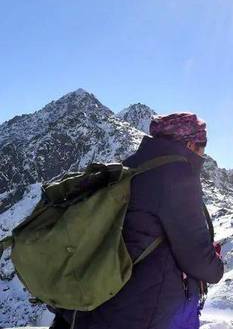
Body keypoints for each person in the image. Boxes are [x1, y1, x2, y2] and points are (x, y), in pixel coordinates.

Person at [53, 112, 224, 329]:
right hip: (141, 315)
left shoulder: (129, 167)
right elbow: (200, 262)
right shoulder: (177, 175)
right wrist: (217, 264)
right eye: (203, 147)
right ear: (190, 144)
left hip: (95, 308)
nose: (203, 156)